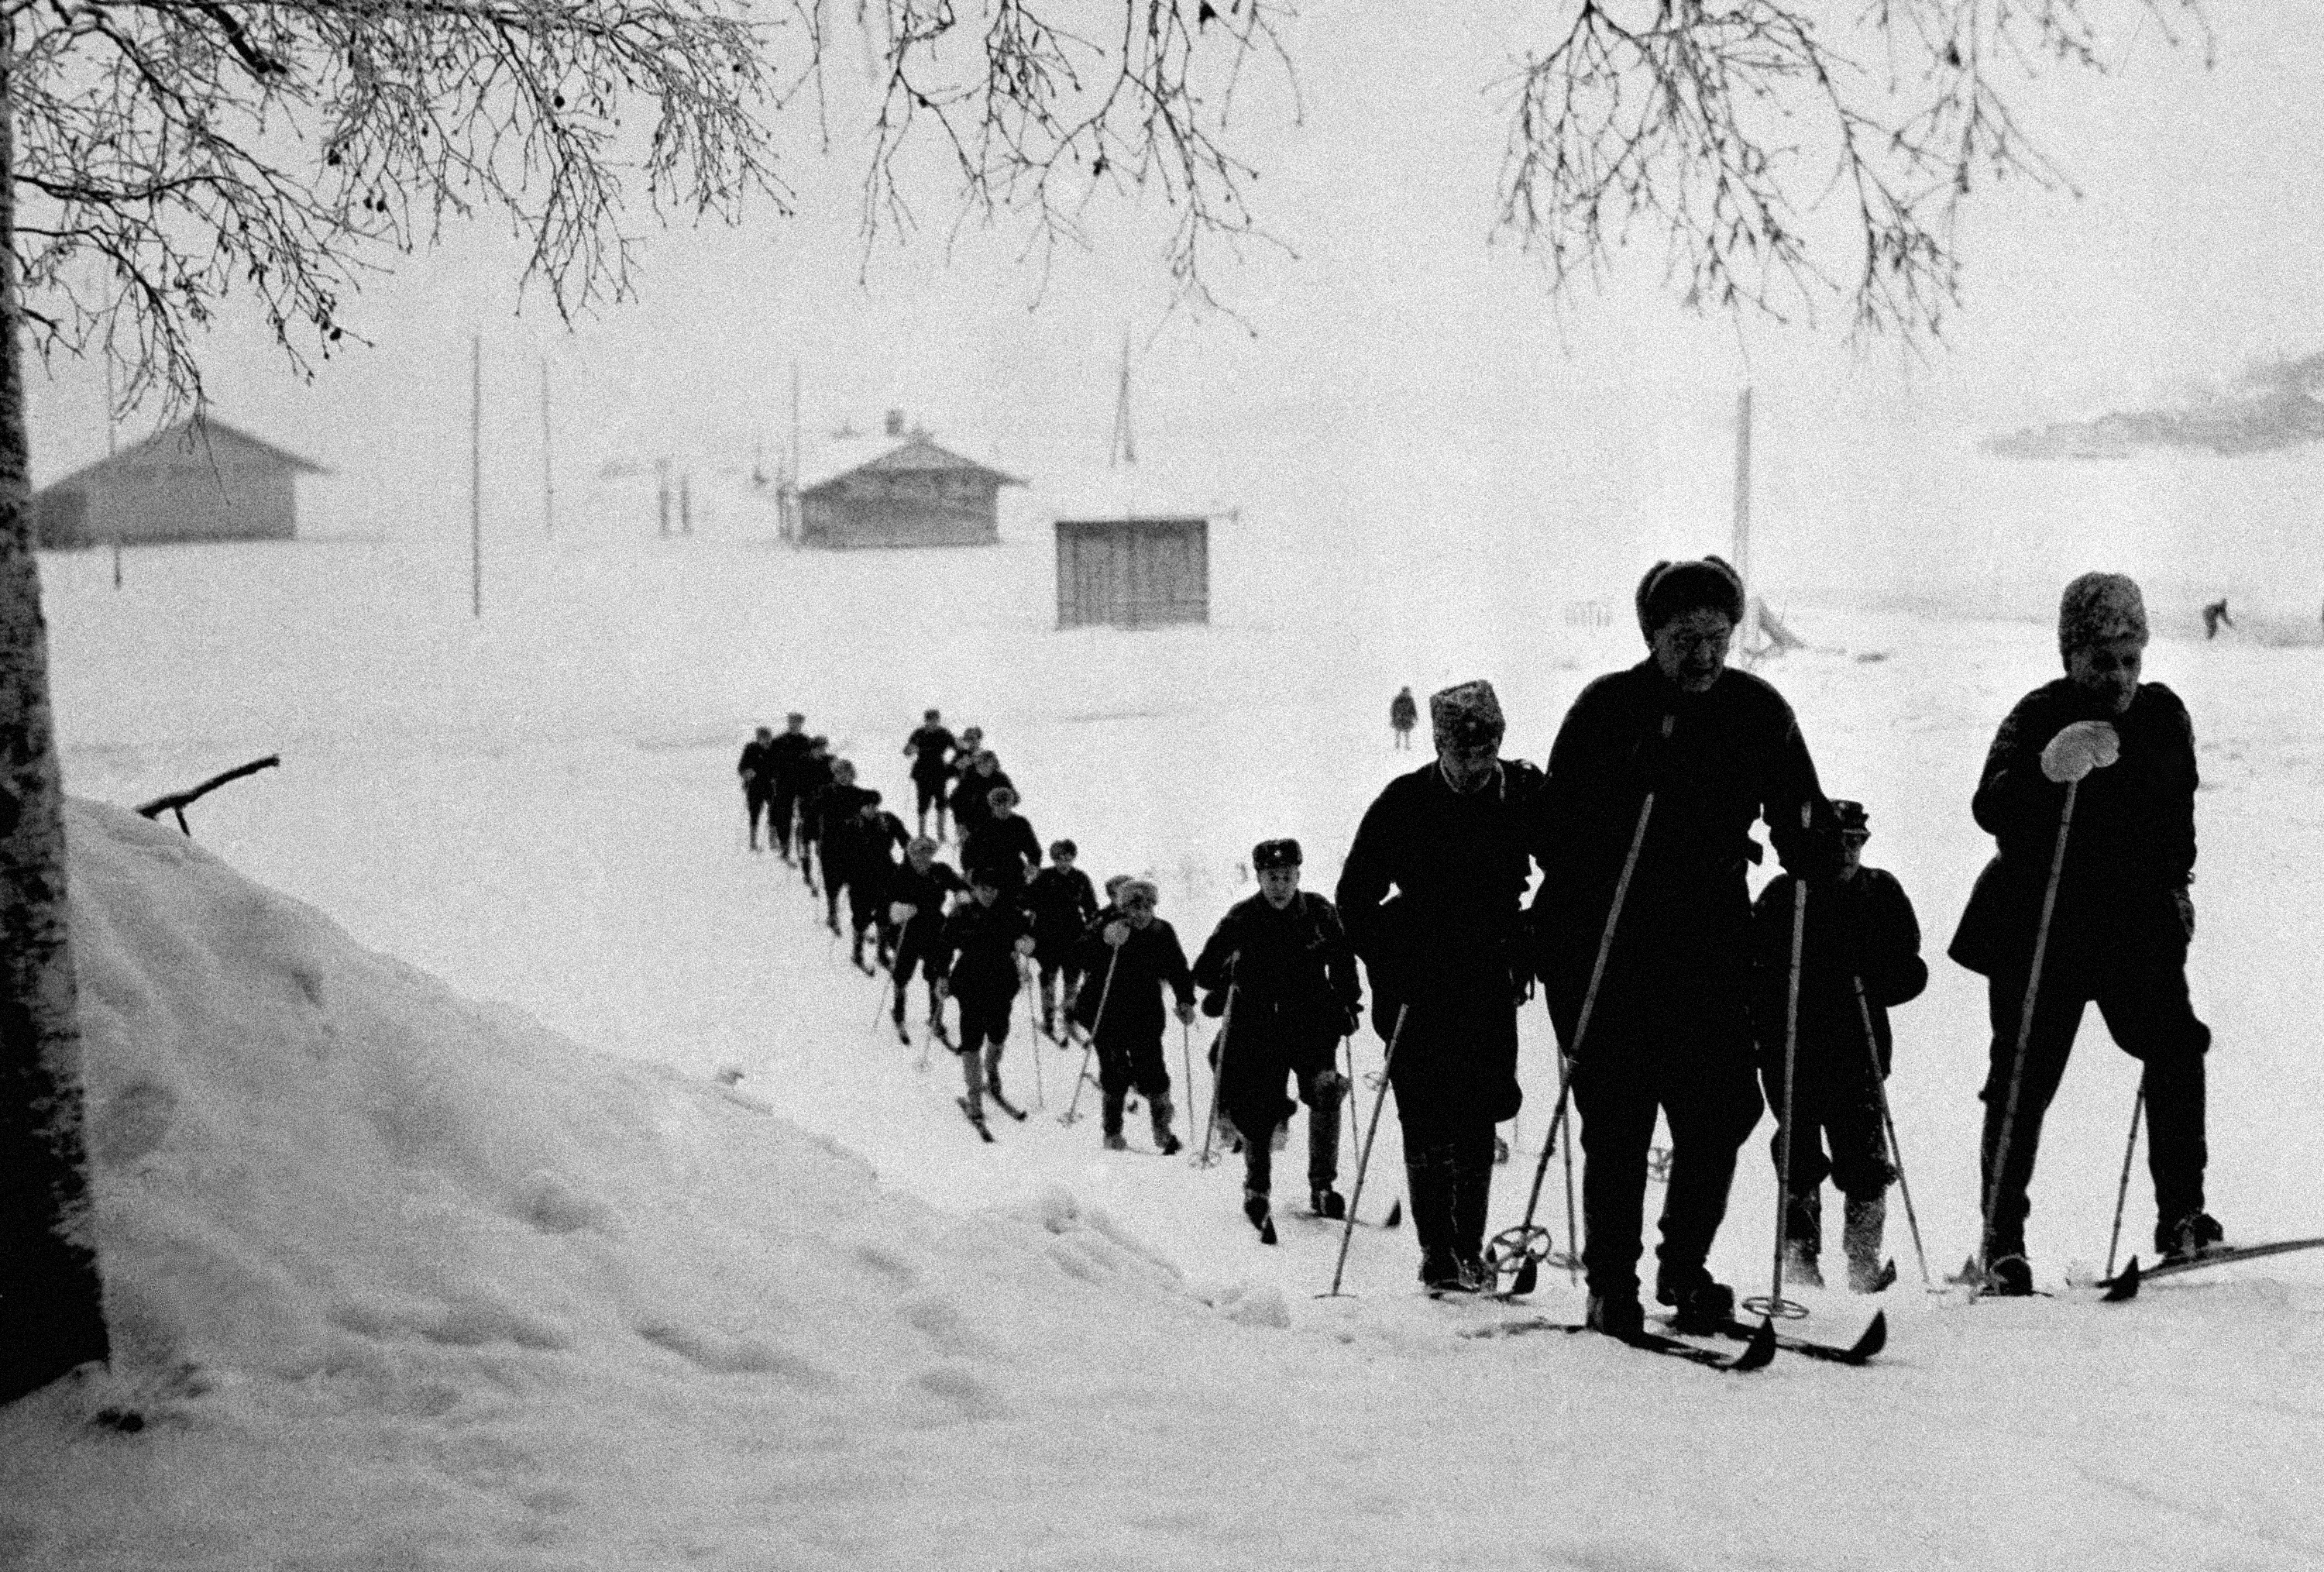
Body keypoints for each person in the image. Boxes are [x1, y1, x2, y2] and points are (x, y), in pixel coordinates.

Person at [1532, 557, 1840, 1337]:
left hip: (1708, 943)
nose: (1704, 656)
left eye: (1717, 636)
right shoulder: (1608, 708)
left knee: (1721, 1112)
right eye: (1684, 639)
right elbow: (1552, 831)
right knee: (1621, 1120)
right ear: (1652, 636)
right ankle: (1612, 1284)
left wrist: (1810, 836)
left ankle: (1683, 1267)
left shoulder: (1757, 709)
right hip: (1608, 942)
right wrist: (1623, 798)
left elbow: (1804, 812)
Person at [1948, 572, 2216, 1295]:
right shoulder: (2039, 714)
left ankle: (2183, 1214)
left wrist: (2177, 887)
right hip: (2041, 922)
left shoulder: (2165, 718)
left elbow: (2177, 813)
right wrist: (2045, 770)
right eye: (2102, 661)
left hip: (2133, 921)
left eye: (2131, 659)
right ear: (2070, 656)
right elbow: (1990, 804)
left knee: (2175, 1045)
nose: (2120, 677)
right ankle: (2002, 1240)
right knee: (2021, 1081)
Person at [1337, 679, 1549, 1296]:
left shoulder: (1523, 792)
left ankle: (1468, 1244)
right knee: (1425, 1113)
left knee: (1480, 1110)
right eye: (1464, 754)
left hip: (1487, 975)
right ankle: (1437, 1250)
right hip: (1418, 980)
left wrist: (1535, 930)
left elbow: (1571, 865)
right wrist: (1388, 954)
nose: (1478, 766)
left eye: (1488, 751)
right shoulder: (1403, 802)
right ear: (1437, 744)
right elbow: (1354, 897)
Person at [1748, 799, 1927, 1292]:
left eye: (1858, 842)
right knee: (1798, 1153)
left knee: (1865, 1159)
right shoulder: (1787, 895)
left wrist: (1874, 969)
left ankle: (1862, 1261)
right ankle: (1800, 1257)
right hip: (1794, 1049)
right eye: (1842, 841)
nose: (1850, 852)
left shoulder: (1881, 891)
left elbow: (1908, 971)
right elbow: (1752, 971)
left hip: (1858, 1049)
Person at [1194, 839, 1363, 1233]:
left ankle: (1323, 1186)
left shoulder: (1321, 912)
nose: (1279, 885)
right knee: (1258, 1106)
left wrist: (1348, 1004)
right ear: (1259, 878)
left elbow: (1343, 962)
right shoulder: (1240, 918)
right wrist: (1227, 970)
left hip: (1311, 1022)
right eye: (1271, 877)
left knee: (1325, 1092)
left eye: (1286, 876)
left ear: (1298, 875)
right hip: (1258, 1026)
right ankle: (1257, 1189)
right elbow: (1202, 971)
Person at [1071, 879, 1196, 1153]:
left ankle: (1162, 1131)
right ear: (1122, 907)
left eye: (1147, 907)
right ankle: (1112, 1133)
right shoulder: (1107, 925)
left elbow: (1177, 967)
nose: (1140, 913)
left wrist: (1185, 999)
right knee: (1114, 1072)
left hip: (1145, 1013)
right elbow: (1079, 954)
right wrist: (1104, 941)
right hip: (1105, 1012)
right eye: (1133, 907)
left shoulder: (1161, 931)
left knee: (1153, 1071)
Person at [934, 870, 1038, 1127]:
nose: (987, 894)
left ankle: (991, 1071)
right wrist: (942, 976)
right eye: (983, 889)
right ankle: (974, 1097)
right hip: (969, 981)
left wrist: (1028, 944)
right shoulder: (961, 914)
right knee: (971, 1038)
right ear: (974, 889)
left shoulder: (1011, 914)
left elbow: (1029, 938)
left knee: (999, 1032)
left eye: (992, 889)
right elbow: (944, 945)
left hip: (1002, 982)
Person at [888, 838, 967, 1042]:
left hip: (935, 927)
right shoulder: (900, 874)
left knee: (936, 971)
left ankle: (935, 1016)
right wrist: (898, 910)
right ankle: (899, 1009)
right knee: (902, 972)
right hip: (909, 929)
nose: (923, 859)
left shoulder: (940, 871)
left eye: (928, 855)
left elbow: (959, 885)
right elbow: (887, 904)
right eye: (918, 855)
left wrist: (962, 896)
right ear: (910, 855)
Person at [829, 791, 912, 972]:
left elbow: (905, 839)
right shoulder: (851, 825)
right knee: (861, 917)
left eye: (875, 806)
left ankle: (882, 953)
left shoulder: (887, 820)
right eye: (868, 806)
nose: (872, 810)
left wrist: (908, 859)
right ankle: (857, 953)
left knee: (884, 914)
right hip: (860, 878)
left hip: (885, 875)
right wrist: (843, 876)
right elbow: (840, 853)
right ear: (861, 808)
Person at [1026, 840, 1100, 1038]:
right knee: (1048, 978)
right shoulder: (1044, 877)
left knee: (1072, 980)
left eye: (1068, 858)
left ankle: (1069, 1017)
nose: (1064, 863)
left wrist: (1092, 928)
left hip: (1073, 936)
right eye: (1059, 858)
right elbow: (1028, 901)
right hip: (1047, 936)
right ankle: (1048, 1018)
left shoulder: (1081, 878)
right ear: (1054, 858)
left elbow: (1091, 907)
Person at [960, 786, 1042, 905]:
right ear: (992, 806)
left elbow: (1033, 850)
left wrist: (1033, 865)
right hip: (987, 873)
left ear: (1011, 804)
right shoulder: (982, 825)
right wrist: (969, 871)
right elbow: (968, 852)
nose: (1003, 808)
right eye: (998, 804)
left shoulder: (1020, 824)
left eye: (1006, 804)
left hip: (1013, 872)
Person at [902, 708, 959, 841]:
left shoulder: (944, 733)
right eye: (930, 720)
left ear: (938, 720)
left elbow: (957, 749)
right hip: (922, 772)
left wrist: (952, 767)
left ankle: (941, 834)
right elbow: (906, 751)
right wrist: (911, 749)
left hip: (939, 771)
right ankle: (922, 834)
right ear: (926, 720)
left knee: (941, 802)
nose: (933, 723)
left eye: (936, 720)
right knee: (923, 802)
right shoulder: (919, 733)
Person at [789, 737, 836, 893]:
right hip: (806, 806)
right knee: (804, 840)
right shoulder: (802, 762)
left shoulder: (830, 761)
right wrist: (797, 804)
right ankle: (807, 874)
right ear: (812, 748)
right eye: (818, 748)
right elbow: (796, 785)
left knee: (824, 841)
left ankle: (824, 872)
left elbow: (835, 781)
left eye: (824, 748)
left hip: (824, 806)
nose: (821, 751)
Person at [765, 714, 814, 862]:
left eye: (798, 722)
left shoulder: (807, 741)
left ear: (801, 724)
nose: (794, 725)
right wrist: (773, 777)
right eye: (792, 722)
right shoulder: (778, 741)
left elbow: (811, 763)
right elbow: (770, 762)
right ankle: (785, 848)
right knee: (784, 816)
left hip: (802, 785)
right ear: (788, 723)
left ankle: (801, 848)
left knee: (803, 817)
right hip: (783, 784)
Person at [948, 751, 1013, 848]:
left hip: (995, 822)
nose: (982, 766)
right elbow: (955, 801)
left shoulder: (1001, 779)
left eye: (986, 763)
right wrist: (960, 824)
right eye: (979, 763)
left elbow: (1014, 798)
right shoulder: (970, 778)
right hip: (971, 824)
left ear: (993, 764)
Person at [737, 727, 779, 851]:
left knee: (774, 811)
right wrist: (747, 773)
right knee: (754, 813)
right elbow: (742, 767)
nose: (766, 741)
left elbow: (780, 767)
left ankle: (773, 840)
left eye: (768, 738)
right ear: (758, 739)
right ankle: (753, 841)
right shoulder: (751, 748)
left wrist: (777, 777)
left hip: (771, 786)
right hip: (755, 786)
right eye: (762, 739)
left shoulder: (775, 749)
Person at [1389, 686, 1418, 750]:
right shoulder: (1398, 699)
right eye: (1408, 691)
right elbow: (1393, 708)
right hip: (1400, 717)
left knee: (1405, 731)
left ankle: (1405, 745)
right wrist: (1393, 716)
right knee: (1399, 731)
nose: (1408, 693)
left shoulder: (1409, 699)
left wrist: (1415, 716)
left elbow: (1413, 709)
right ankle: (1398, 745)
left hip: (1405, 717)